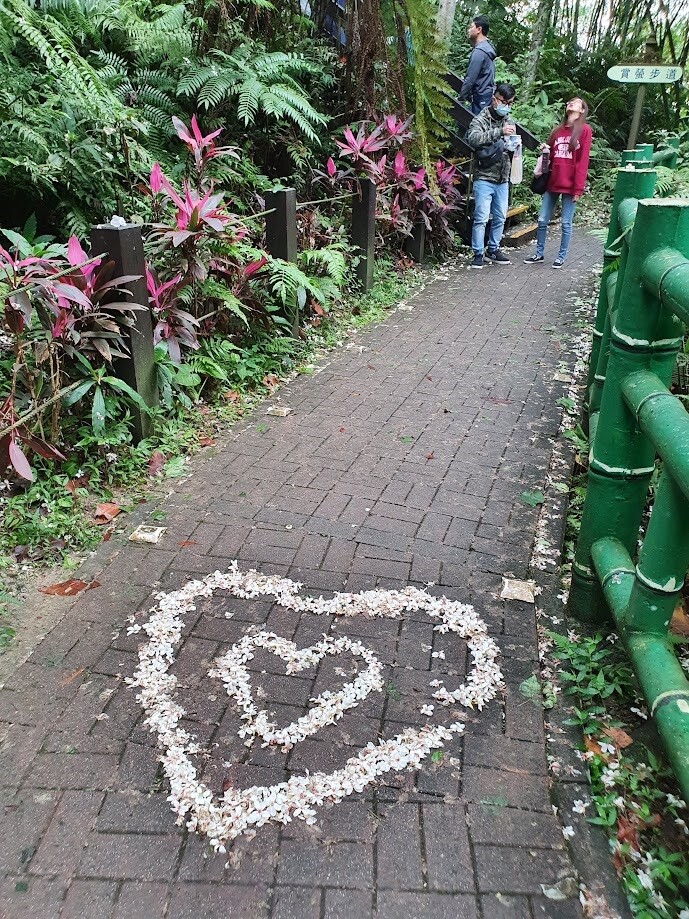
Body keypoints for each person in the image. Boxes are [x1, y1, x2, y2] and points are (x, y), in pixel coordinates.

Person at [524, 97, 592, 269]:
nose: (571, 103)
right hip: (553, 181)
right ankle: (539, 253)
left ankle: (561, 257)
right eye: (570, 101)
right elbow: (550, 155)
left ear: (582, 110)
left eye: (576, 102)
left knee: (566, 223)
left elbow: (582, 161)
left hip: (570, 184)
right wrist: (545, 150)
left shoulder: (584, 130)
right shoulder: (557, 131)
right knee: (541, 220)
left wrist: (578, 189)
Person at [466, 83, 517, 269]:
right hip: (484, 176)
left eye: (510, 103)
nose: (507, 106)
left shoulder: (509, 121)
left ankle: (493, 249)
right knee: (480, 217)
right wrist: (499, 133)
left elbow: (512, 144)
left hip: (503, 178)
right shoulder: (481, 119)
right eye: (504, 102)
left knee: (500, 217)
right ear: (495, 99)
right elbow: (472, 138)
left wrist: (514, 146)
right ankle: (478, 252)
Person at [458, 15, 496, 116]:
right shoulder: (487, 49)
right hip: (485, 97)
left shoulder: (480, 51)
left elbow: (470, 79)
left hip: (480, 98)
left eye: (471, 27)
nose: (469, 30)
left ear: (479, 29)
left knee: (473, 128)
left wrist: (461, 99)